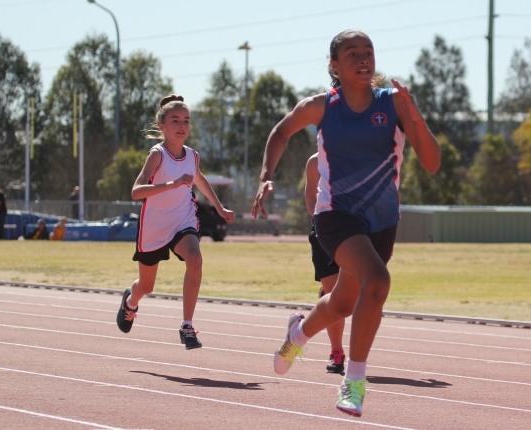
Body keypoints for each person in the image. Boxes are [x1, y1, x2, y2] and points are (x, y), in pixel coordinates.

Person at [252, 30, 440, 417]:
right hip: (335, 215)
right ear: (334, 65)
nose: (362, 59)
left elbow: (433, 163)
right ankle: (354, 382)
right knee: (379, 282)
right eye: (352, 54)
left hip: (382, 219)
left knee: (342, 303)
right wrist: (265, 175)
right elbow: (281, 131)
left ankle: (296, 335)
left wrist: (416, 117)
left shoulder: (395, 104)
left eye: (367, 52)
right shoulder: (321, 106)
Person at [116, 94, 235, 351]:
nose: (182, 126)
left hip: (183, 219)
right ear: (162, 125)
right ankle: (130, 301)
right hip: (154, 225)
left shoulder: (192, 156)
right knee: (146, 285)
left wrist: (219, 207)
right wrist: (171, 183)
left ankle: (187, 325)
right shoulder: (157, 155)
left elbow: (199, 180)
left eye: (186, 121)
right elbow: (136, 191)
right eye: (175, 120)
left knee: (195, 258)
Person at [304, 152, 346, 374]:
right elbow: (311, 199)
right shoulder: (314, 162)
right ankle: (337, 353)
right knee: (335, 298)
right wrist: (323, 218)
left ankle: (328, 297)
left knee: (351, 298)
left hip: (353, 231)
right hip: (323, 231)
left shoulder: (358, 157)